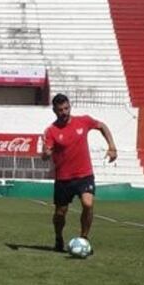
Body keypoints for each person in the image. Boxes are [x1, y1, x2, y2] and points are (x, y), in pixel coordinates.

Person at [41, 93, 117, 253]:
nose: (64, 112)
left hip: (84, 175)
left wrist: (112, 147)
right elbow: (45, 154)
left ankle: (84, 239)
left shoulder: (83, 121)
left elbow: (102, 126)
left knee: (88, 204)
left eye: (66, 108)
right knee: (60, 213)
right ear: (54, 110)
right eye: (60, 109)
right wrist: (46, 154)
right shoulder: (51, 131)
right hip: (63, 179)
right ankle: (58, 237)